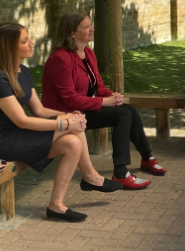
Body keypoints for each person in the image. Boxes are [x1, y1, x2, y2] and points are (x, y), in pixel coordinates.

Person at [0, 23, 122, 223]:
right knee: (72, 130)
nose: (32, 43)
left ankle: (56, 206)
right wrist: (64, 124)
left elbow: (39, 110)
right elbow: (22, 121)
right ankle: (90, 177)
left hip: (19, 133)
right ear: (8, 47)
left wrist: (70, 115)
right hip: (1, 140)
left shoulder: (22, 71)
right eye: (24, 41)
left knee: (73, 143)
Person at [42, 12, 166, 190]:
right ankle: (121, 173)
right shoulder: (60, 58)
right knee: (122, 115)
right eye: (86, 27)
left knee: (128, 109)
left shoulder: (88, 53)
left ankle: (147, 158)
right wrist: (105, 103)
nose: (92, 29)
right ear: (72, 33)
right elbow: (69, 98)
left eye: (90, 25)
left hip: (83, 110)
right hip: (66, 115)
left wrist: (113, 96)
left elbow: (98, 86)